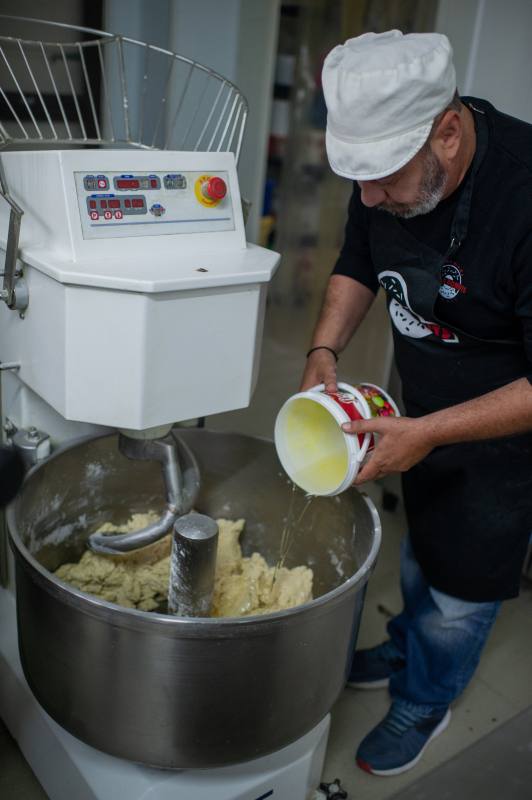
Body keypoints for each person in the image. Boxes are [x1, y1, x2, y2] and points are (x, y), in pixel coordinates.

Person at [300, 30, 532, 776]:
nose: (368, 197)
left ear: (449, 133)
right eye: (359, 179)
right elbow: (359, 258)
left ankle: (427, 698)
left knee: (461, 592)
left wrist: (431, 431)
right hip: (421, 411)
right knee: (419, 551)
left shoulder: (523, 196)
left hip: (504, 442)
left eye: (383, 181)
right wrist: (324, 350)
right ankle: (407, 646)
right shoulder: (382, 170)